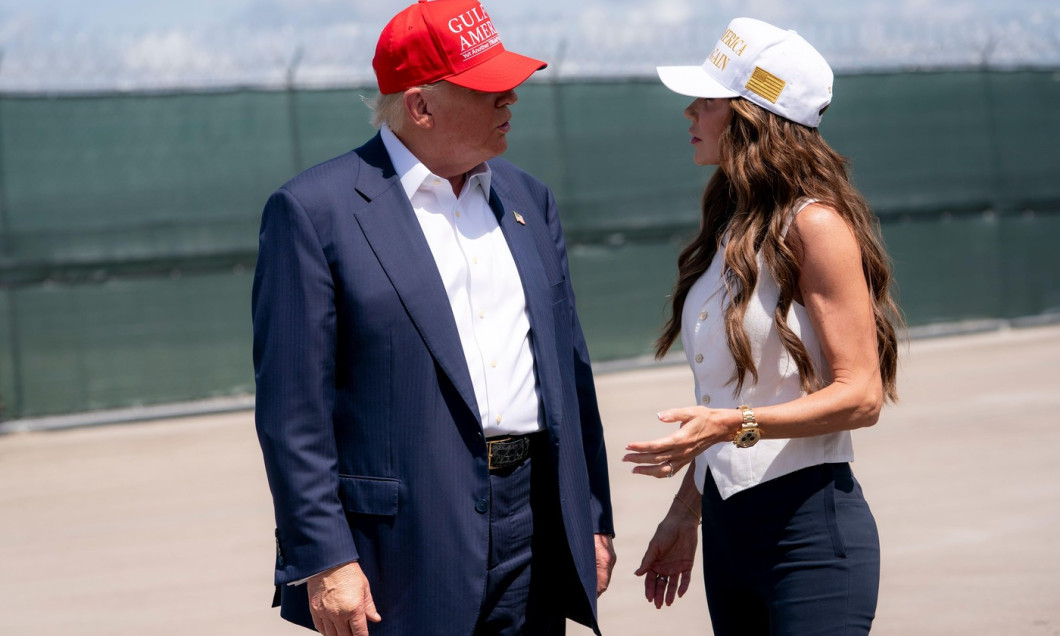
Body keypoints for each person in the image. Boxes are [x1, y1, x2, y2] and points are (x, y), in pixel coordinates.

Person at [251, 1, 616, 634]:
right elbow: (292, 411)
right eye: (491, 90)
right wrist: (326, 559)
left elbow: (568, 372)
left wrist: (590, 516)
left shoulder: (529, 198)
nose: (511, 101)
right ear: (421, 106)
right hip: (403, 549)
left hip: (535, 520)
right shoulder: (315, 211)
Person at [622, 17, 902, 635]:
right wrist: (686, 513)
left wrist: (732, 426)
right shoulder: (732, 225)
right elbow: (724, 398)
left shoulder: (816, 225)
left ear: (752, 116)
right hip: (730, 533)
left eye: (708, 100)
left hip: (809, 537)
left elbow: (862, 395)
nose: (690, 112)